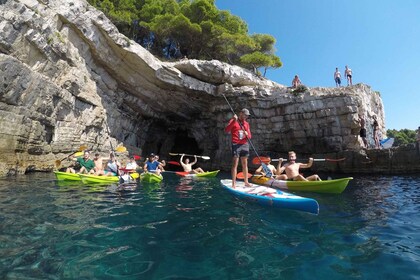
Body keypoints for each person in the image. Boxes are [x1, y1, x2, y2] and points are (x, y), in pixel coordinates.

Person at [225, 108, 252, 188]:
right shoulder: (233, 121)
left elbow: (250, 136)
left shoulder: (246, 124)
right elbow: (227, 130)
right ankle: (233, 183)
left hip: (245, 144)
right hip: (236, 144)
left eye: (247, 116)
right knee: (235, 164)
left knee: (245, 164)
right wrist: (234, 120)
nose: (246, 117)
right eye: (245, 115)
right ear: (241, 113)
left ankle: (246, 182)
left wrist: (247, 134)